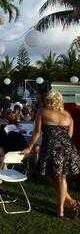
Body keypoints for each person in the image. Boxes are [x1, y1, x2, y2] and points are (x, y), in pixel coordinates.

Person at [22, 90, 80, 218]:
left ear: (51, 100)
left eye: (48, 99)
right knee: (60, 177)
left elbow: (37, 133)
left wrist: (30, 147)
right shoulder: (68, 115)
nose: (46, 101)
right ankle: (70, 202)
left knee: (55, 176)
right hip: (68, 149)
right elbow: (69, 136)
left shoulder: (42, 112)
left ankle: (61, 209)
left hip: (51, 148)